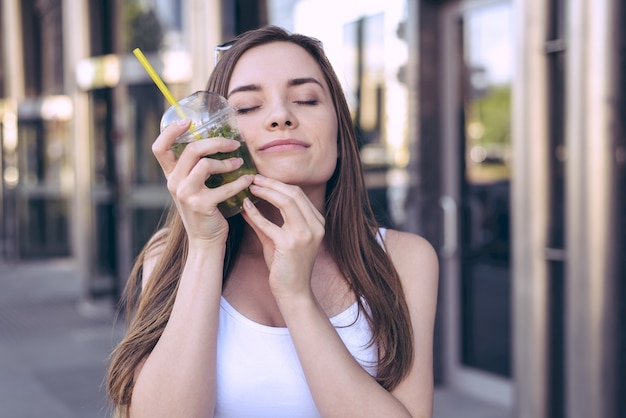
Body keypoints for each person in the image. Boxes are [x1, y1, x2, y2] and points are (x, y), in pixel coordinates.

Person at [106, 25, 438, 418]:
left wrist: (296, 295)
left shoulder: (405, 258)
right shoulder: (167, 257)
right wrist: (205, 245)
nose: (281, 115)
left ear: (339, 129)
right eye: (246, 107)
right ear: (211, 135)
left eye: (305, 99)